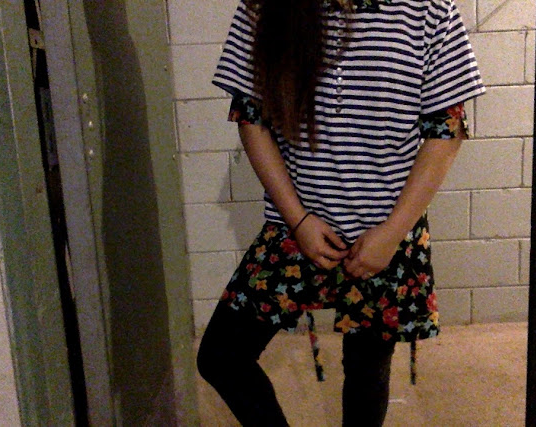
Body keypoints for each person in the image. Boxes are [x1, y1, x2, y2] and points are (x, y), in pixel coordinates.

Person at [197, 0, 485, 425]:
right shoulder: (263, 7)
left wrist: (392, 233)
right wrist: (298, 220)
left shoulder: (429, 9)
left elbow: (447, 130)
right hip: (297, 228)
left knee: (367, 373)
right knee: (222, 356)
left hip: (385, 236)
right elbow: (251, 118)